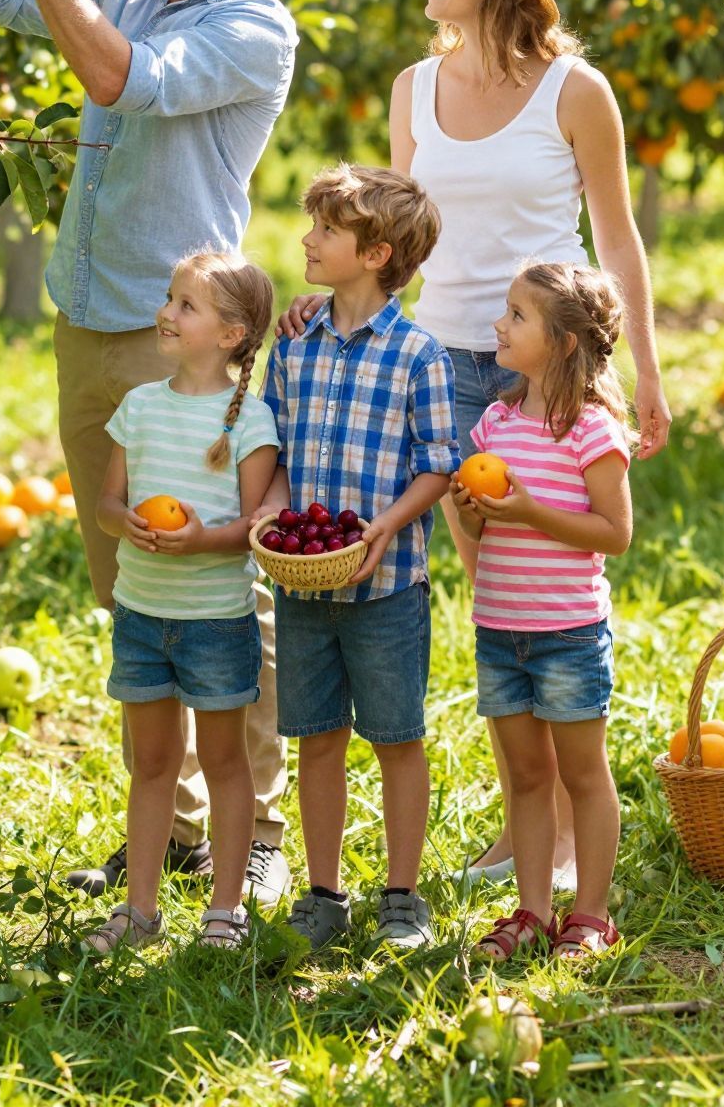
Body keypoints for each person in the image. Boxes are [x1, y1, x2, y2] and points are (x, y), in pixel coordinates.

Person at [0, 0, 308, 907]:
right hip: (90, 319)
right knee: (135, 583)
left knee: (216, 581)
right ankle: (182, 827)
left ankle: (257, 822)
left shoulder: (258, 29)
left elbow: (118, 79)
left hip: (188, 339)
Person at [281, 0, 671, 885]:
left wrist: (649, 374)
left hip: (549, 365)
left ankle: (574, 818)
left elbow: (617, 240)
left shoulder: (576, 92)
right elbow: (395, 236)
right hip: (446, 363)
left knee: (556, 590)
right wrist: (328, 312)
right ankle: (522, 823)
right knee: (493, 591)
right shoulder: (416, 86)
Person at [257, 165, 458, 953]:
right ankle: (323, 893)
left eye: (325, 230)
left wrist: (383, 528)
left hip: (389, 586)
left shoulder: (418, 355)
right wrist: (274, 510)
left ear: (375, 253)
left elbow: (439, 464)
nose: (308, 239)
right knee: (318, 738)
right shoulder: (296, 344)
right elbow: (272, 442)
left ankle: (402, 897)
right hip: (307, 587)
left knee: (397, 737)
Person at [89, 251, 281, 954]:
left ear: (231, 334)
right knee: (152, 766)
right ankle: (141, 913)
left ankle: (223, 913)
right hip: (142, 615)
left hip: (216, 623)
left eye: (186, 305)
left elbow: (254, 530)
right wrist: (124, 522)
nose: (166, 313)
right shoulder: (138, 407)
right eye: (170, 298)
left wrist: (201, 540)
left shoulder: (250, 421)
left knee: (226, 764)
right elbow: (109, 502)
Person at [450, 262, 632, 959]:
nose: (500, 324)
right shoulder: (494, 423)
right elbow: (480, 535)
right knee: (526, 778)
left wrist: (529, 507)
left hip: (568, 634)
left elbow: (614, 534)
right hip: (500, 630)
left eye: (518, 316)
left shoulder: (592, 430)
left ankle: (590, 915)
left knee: (582, 775)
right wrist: (474, 514)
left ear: (560, 343)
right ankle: (530, 911)